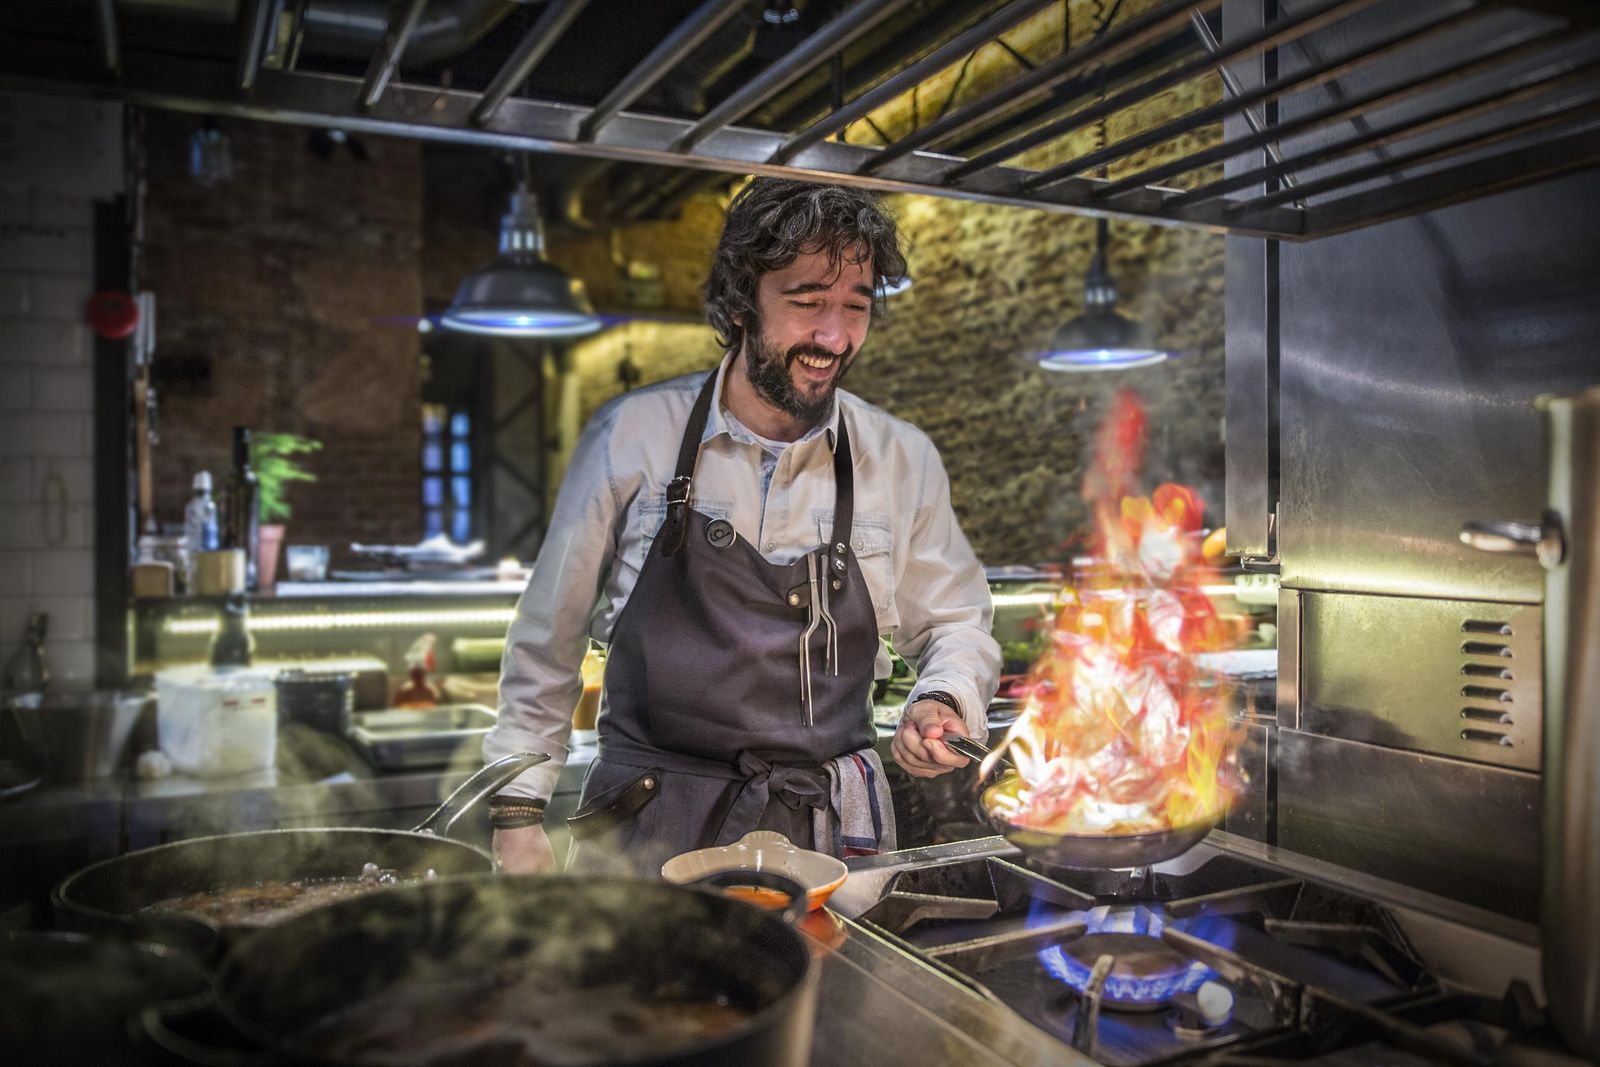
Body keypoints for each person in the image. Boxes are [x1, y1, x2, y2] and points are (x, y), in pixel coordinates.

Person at [484, 177, 1001, 875]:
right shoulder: (631, 437)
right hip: (647, 831)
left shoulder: (900, 458)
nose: (834, 335)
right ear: (740, 303)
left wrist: (943, 695)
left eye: (856, 305)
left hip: (834, 846)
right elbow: (548, 643)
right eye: (808, 300)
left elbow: (958, 624)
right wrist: (517, 810)